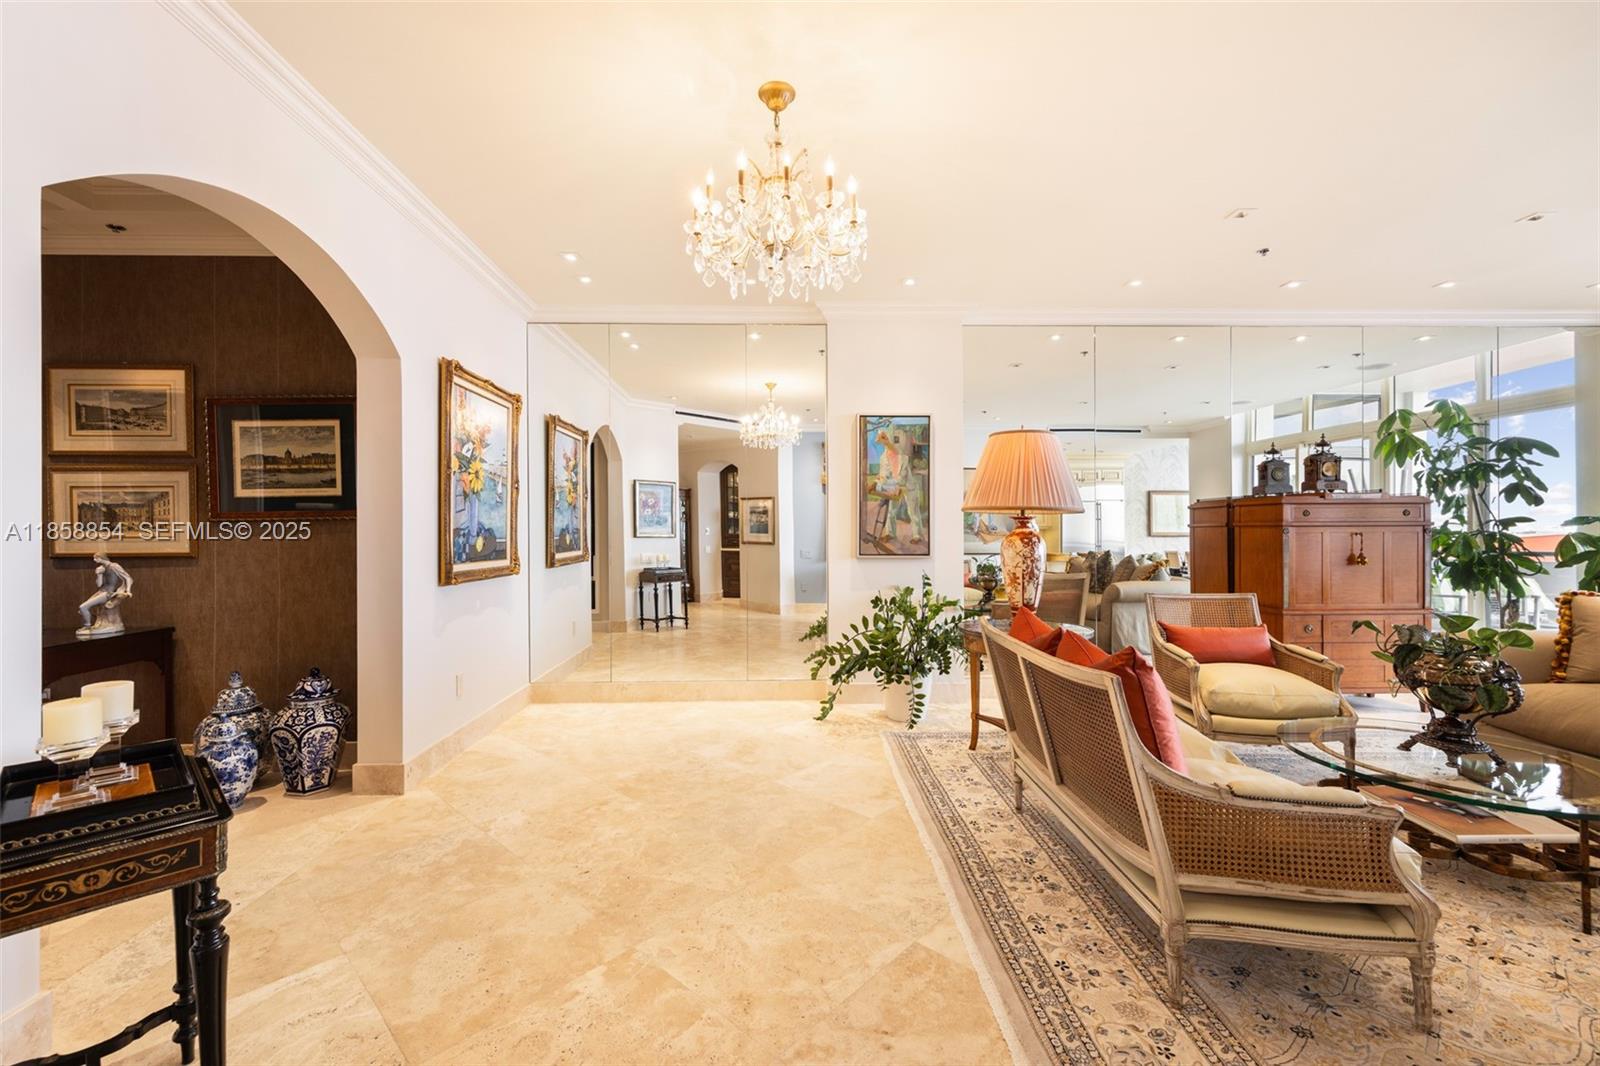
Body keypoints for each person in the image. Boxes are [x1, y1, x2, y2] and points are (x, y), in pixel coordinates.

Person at [77, 550, 133, 636]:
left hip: (108, 593)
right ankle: (89, 626)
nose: (94, 560)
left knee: (83, 607)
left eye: (95, 558)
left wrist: (128, 591)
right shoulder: (102, 568)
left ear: (100, 558)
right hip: (101, 592)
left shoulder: (114, 566)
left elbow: (128, 578)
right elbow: (99, 584)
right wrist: (99, 574)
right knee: (82, 608)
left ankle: (87, 626)